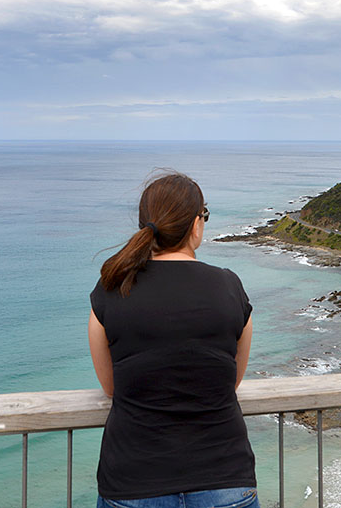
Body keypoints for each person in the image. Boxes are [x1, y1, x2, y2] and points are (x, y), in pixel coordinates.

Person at [88, 172, 258, 508]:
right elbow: (231, 379)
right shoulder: (229, 287)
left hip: (133, 482)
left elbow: (110, 387)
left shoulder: (111, 289)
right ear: (196, 225)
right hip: (225, 480)